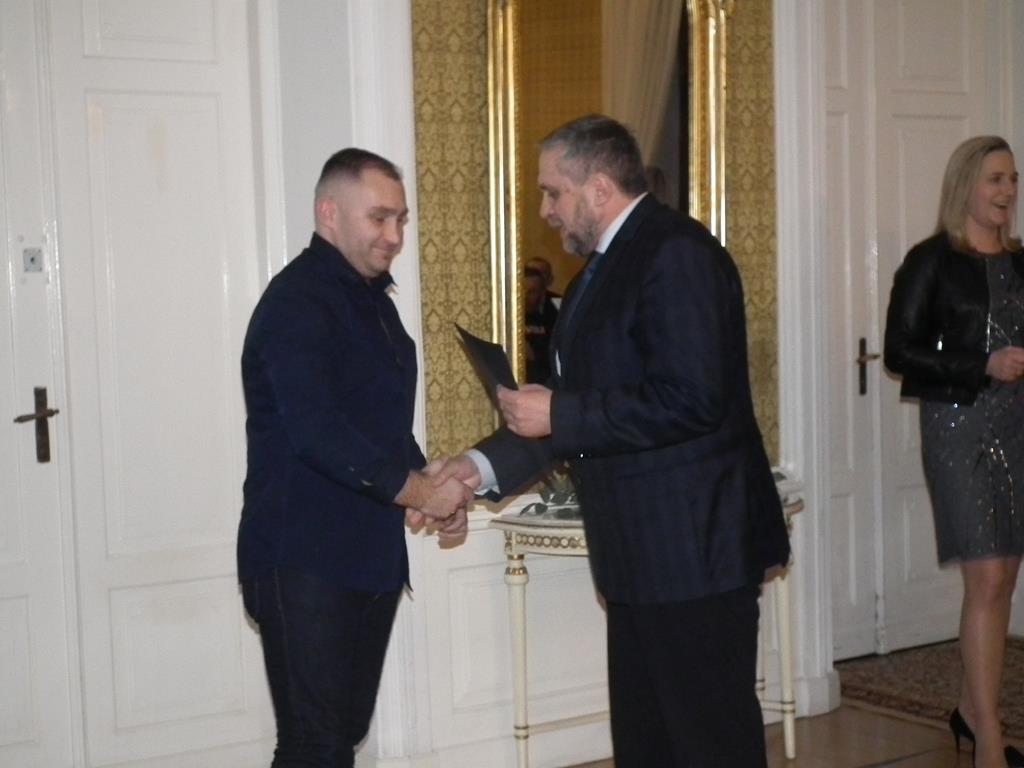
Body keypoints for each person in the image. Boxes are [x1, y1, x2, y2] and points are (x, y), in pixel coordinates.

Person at [437, 114, 790, 767]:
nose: (545, 211)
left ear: (599, 187)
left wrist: (561, 412)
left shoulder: (677, 253)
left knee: (711, 748)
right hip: (639, 559)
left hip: (695, 555)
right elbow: (562, 410)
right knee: (646, 747)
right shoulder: (596, 275)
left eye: (553, 192)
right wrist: (473, 468)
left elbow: (691, 399)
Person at [237, 148, 471, 767]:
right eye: (379, 218)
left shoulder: (374, 302)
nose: (394, 235)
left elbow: (379, 426)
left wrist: (430, 481)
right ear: (329, 213)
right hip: (301, 557)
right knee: (314, 743)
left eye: (401, 220)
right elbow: (317, 433)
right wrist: (422, 494)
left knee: (341, 733)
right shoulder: (296, 302)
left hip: (368, 556)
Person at [884, 135, 1024, 768]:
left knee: (1005, 577)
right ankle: (989, 735)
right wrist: (981, 363)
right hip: (959, 426)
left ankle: (970, 711)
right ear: (966, 185)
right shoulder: (931, 261)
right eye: (995, 179)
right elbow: (900, 351)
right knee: (987, 575)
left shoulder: (1020, 262)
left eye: (1013, 180)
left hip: (1017, 425)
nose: (1007, 191)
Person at [523, 266, 557, 383]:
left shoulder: (554, 316)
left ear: (542, 293)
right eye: (521, 290)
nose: (525, 296)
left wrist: (534, 355)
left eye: (531, 292)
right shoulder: (507, 317)